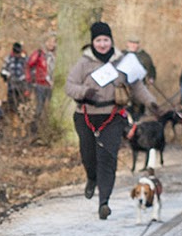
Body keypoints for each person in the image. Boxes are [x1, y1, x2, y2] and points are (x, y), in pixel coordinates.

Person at [64, 21, 158, 220]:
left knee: (107, 158)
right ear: (92, 43)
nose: (102, 44)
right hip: (86, 115)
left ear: (112, 41)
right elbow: (69, 86)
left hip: (113, 116)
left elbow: (137, 86)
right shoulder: (83, 63)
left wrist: (151, 102)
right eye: (98, 40)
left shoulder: (123, 62)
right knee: (89, 156)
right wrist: (84, 91)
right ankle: (91, 178)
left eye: (106, 40)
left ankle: (104, 202)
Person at [118, 36, 157, 119]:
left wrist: (151, 78)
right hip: (123, 87)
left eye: (135, 43)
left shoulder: (144, 56)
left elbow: (151, 68)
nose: (133, 45)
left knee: (139, 108)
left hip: (139, 86)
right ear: (127, 43)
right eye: (131, 43)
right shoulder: (121, 55)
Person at [25, 38, 54, 123]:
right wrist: (30, 80)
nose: (52, 44)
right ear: (45, 42)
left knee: (51, 108)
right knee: (39, 107)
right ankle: (35, 130)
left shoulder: (56, 55)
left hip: (52, 85)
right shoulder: (39, 53)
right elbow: (28, 65)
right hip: (40, 84)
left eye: (54, 42)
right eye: (49, 41)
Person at [0, 42, 29, 115]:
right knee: (11, 103)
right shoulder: (8, 58)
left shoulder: (24, 59)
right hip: (11, 85)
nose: (17, 54)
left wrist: (25, 77)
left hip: (22, 85)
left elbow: (29, 69)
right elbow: (3, 71)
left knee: (22, 102)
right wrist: (7, 74)